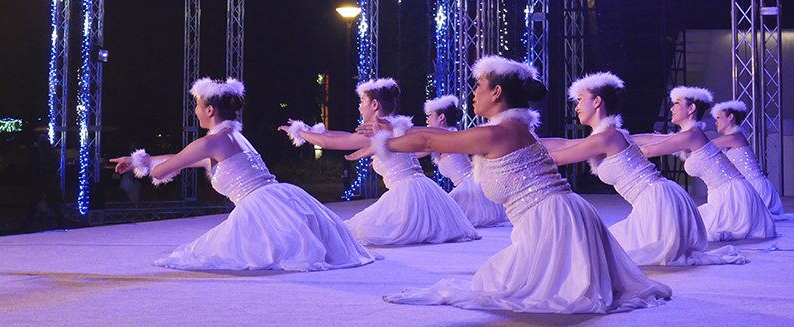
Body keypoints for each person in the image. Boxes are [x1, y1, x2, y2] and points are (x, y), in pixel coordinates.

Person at [347, 56, 672, 314]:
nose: (474, 93)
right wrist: (391, 134)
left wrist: (384, 142)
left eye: (479, 86)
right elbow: (438, 135)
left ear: (497, 92)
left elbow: (430, 140)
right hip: (561, 217)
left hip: (557, 223)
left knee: (508, 285)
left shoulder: (500, 132)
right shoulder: (510, 129)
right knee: (496, 278)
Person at [111, 77, 378, 271]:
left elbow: (163, 170)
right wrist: (139, 160)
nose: (195, 110)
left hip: (259, 207)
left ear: (209, 110)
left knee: (215, 254)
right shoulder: (234, 137)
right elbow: (187, 159)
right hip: (280, 196)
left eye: (197, 105)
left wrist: (157, 165)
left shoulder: (210, 142)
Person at [543, 72, 746, 266]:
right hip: (660, 199)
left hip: (658, 204)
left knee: (595, 252)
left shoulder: (607, 137)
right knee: (597, 248)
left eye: (580, 99)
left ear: (597, 102)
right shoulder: (609, 135)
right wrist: (530, 140)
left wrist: (525, 152)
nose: (577, 107)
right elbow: (565, 143)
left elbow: (559, 157)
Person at [281, 77, 479, 246]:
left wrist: (299, 132)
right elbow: (344, 136)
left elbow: (330, 143)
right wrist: (312, 131)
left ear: (375, 105)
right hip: (424, 189)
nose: (359, 107)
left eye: (362, 102)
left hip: (407, 195)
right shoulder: (396, 126)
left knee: (355, 230)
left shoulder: (376, 131)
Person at [633, 86, 776, 242]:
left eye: (677, 103)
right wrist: (621, 137)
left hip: (734, 198)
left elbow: (649, 151)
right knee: (679, 226)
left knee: (679, 230)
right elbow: (651, 138)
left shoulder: (692, 135)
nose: (672, 108)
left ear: (691, 108)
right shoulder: (690, 135)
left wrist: (617, 146)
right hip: (724, 195)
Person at [421, 94, 508, 228]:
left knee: (436, 219)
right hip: (467, 188)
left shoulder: (446, 139)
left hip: (471, 191)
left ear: (441, 117)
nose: (428, 120)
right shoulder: (447, 136)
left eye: (431, 115)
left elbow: (417, 149)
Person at [712, 100, 794, 221]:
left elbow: (703, 147)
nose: (716, 122)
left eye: (719, 118)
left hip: (756, 189)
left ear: (730, 117)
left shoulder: (734, 137)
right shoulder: (733, 137)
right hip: (751, 187)